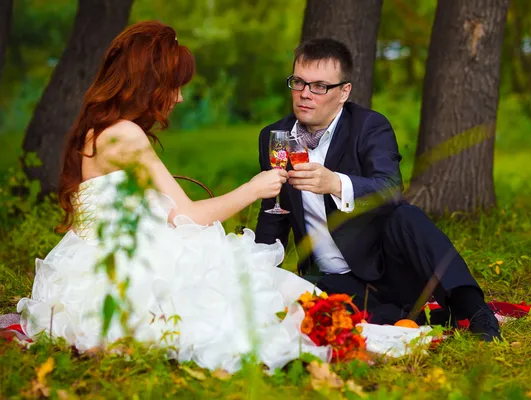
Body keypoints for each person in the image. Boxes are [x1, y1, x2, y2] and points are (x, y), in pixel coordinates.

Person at [16, 21, 335, 374]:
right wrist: (253, 189)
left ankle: (333, 321)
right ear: (148, 84)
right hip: (124, 271)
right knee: (250, 289)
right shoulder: (125, 135)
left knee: (267, 284)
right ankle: (341, 327)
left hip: (99, 259)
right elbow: (189, 215)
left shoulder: (99, 130)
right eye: (174, 86)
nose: (180, 97)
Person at [255, 38, 501, 342]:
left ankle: (475, 311)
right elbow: (273, 214)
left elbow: (390, 189)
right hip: (329, 281)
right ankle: (415, 317)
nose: (305, 94)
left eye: (320, 86)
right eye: (299, 82)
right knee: (337, 317)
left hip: (387, 270)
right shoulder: (274, 136)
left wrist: (335, 183)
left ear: (344, 92)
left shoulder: (369, 126)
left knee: (407, 217)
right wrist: (259, 278)